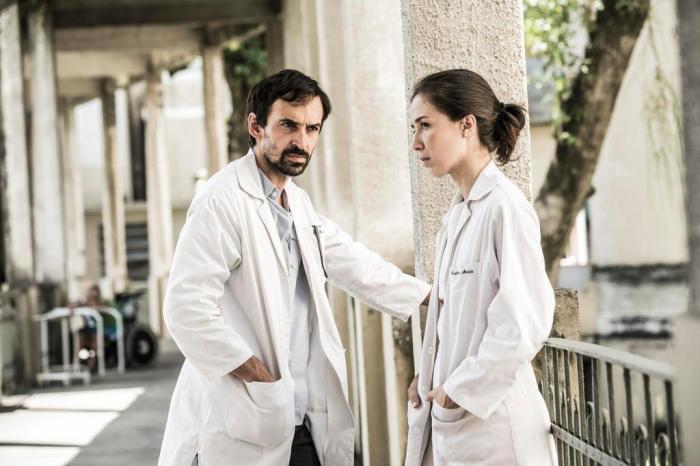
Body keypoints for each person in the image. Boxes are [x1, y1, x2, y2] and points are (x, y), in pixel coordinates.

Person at [158, 69, 431, 466]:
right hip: (242, 418)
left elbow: (355, 263)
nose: (302, 141)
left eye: (312, 128)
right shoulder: (222, 201)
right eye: (288, 125)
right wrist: (254, 372)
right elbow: (185, 308)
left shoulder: (297, 204)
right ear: (256, 126)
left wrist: (432, 297)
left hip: (298, 421)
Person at [404, 69, 557, 466]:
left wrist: (459, 389)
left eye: (425, 126)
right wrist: (430, 376)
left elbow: (523, 321)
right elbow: (454, 321)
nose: (416, 142)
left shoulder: (505, 208)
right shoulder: (457, 216)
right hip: (458, 426)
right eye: (413, 128)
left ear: (466, 125)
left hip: (498, 429)